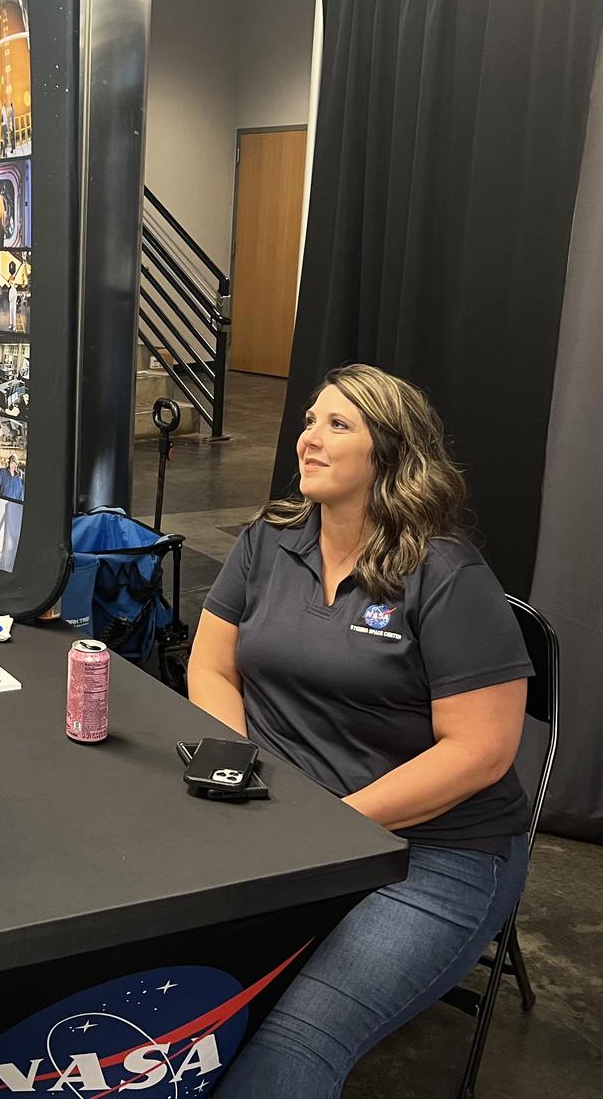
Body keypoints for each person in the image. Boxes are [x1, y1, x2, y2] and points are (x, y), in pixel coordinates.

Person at [189, 364, 531, 1099]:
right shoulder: (268, 540)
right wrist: (238, 772)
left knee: (288, 1049)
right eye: (310, 421)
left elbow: (480, 752)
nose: (308, 439)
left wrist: (325, 834)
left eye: (337, 425)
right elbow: (212, 669)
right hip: (280, 817)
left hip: (432, 854)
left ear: (393, 454)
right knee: (161, 999)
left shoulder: (444, 575)